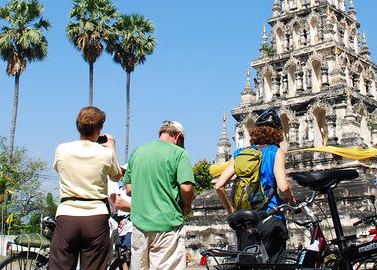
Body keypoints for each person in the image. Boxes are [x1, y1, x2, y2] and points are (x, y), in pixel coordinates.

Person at [214, 107, 297, 262]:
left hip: (245, 221)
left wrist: (231, 212)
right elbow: (283, 187)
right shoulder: (275, 152)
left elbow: (218, 186)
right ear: (278, 133)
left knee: (248, 264)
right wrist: (292, 201)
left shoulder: (240, 153)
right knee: (274, 265)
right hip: (270, 218)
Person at [49, 106, 122, 270]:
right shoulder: (105, 153)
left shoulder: (62, 149)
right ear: (100, 128)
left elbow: (59, 169)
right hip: (96, 216)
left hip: (67, 214)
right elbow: (116, 175)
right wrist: (111, 147)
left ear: (78, 126)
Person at [124, 120, 195, 270]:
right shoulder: (179, 153)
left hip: (139, 225)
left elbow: (129, 189)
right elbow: (187, 188)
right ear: (178, 137)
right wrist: (186, 206)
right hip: (167, 225)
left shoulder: (138, 152)